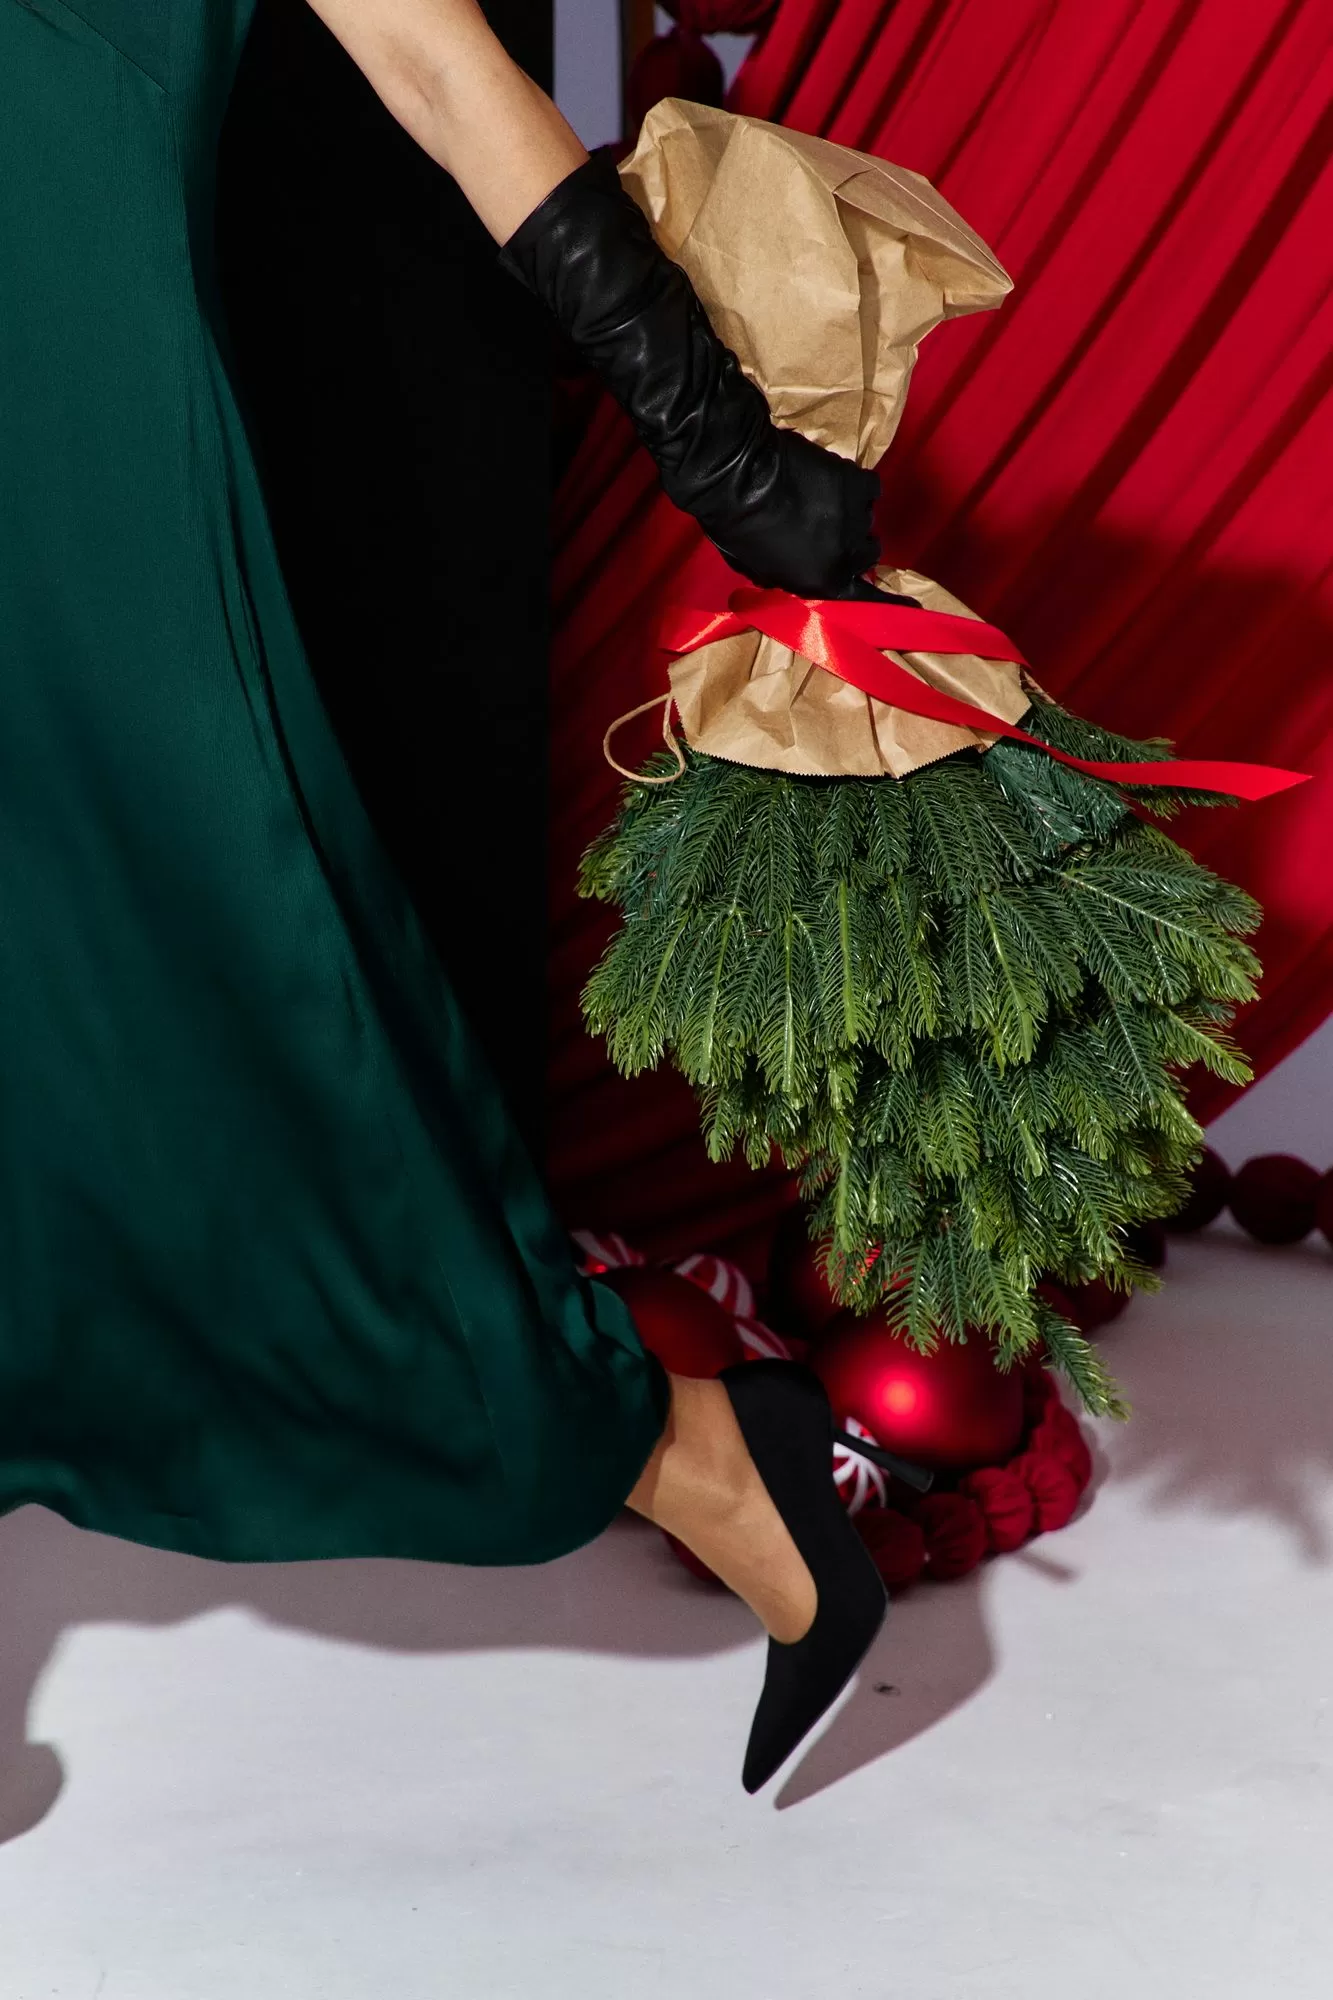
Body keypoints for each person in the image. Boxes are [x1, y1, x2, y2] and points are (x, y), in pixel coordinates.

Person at [0, 0, 905, 1794]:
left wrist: (722, 448)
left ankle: (695, 1457)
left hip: (69, 477)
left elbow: (432, 60)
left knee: (214, 1039)